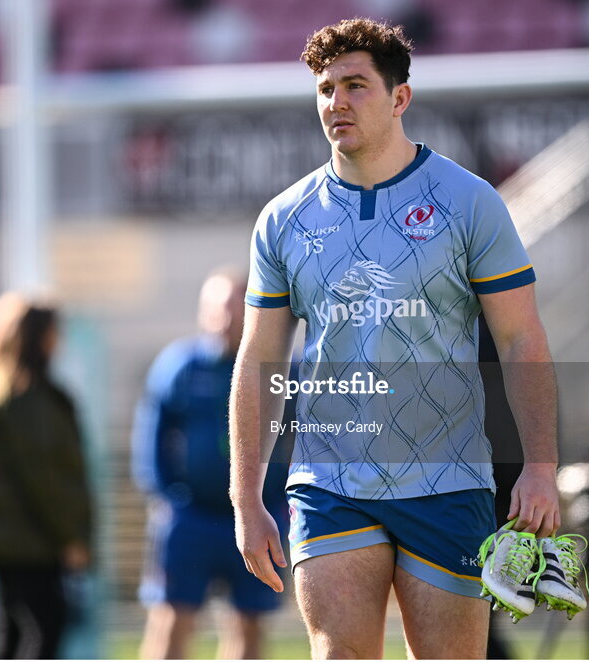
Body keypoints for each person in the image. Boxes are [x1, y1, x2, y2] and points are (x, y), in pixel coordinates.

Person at [229, 18, 560, 659]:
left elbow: (522, 340)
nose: (337, 103)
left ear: (399, 97)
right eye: (325, 89)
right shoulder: (283, 219)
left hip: (451, 480)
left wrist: (541, 466)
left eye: (355, 85)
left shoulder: (470, 203)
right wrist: (246, 496)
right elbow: (260, 357)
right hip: (329, 482)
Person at [133, 269, 289, 659]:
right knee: (172, 617)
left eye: (235, 309)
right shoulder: (181, 365)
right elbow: (152, 434)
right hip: (191, 517)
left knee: (249, 622)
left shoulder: (281, 368)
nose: (225, 320)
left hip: (259, 516)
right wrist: (166, 496)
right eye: (217, 310)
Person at [0, 292, 93, 659]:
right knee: (47, 626)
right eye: (54, 331)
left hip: (11, 535)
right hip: (31, 537)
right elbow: (43, 477)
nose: (59, 340)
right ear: (37, 336)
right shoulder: (24, 396)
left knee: (12, 631)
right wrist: (70, 537)